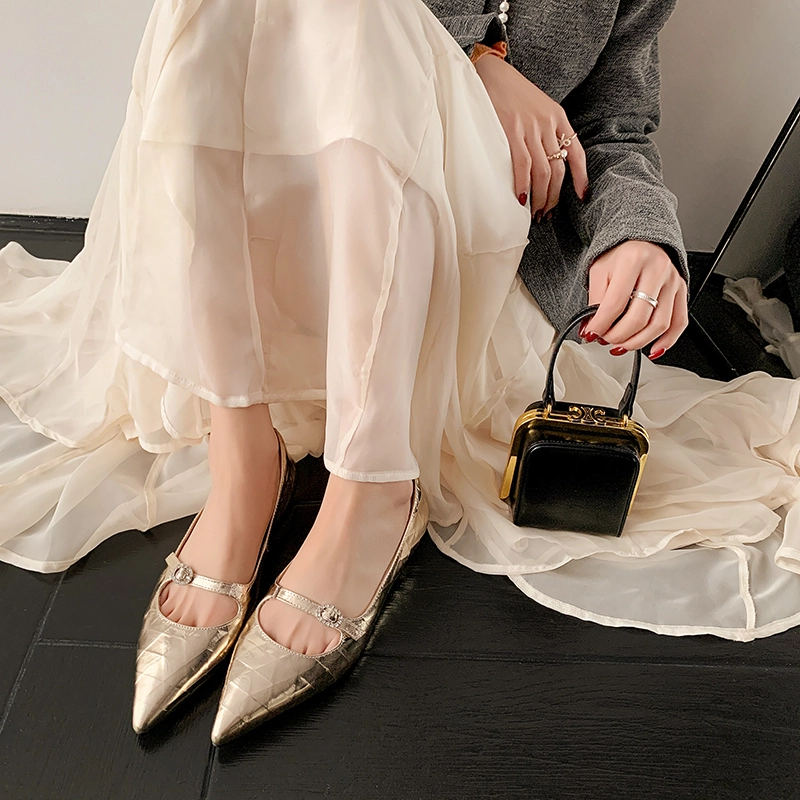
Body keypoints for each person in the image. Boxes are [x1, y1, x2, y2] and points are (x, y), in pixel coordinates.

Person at [2, 0, 800, 747]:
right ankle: (243, 458)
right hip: (298, 178)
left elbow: (613, 122)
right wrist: (476, 58)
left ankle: (372, 490)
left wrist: (639, 238)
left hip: (448, 232)